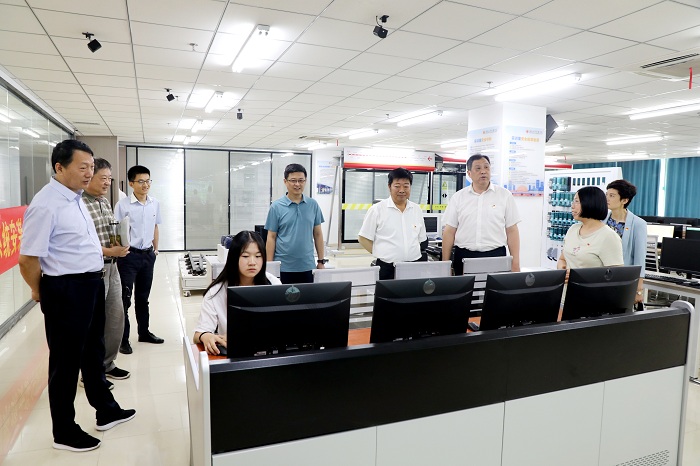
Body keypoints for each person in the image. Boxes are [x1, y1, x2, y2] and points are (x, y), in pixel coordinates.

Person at [18, 140, 135, 452]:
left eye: (91, 167)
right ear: (59, 167)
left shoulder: (76, 198)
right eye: (82, 167)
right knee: (66, 362)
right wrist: (40, 291)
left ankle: (106, 410)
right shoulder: (46, 204)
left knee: (93, 351)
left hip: (90, 284)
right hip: (66, 289)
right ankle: (64, 431)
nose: (89, 173)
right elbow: (27, 259)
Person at [82, 158, 131, 384]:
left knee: (115, 318)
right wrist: (110, 251)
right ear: (90, 176)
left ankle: (107, 364)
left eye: (109, 179)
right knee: (93, 324)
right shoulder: (80, 204)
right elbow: (82, 243)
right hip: (94, 270)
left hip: (113, 268)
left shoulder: (104, 202)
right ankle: (89, 372)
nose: (107, 183)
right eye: (103, 178)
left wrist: (120, 244)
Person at [193, 231, 281, 355]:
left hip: (270, 355)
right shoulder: (216, 291)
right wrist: (206, 336)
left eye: (258, 256)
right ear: (234, 258)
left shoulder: (273, 284)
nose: (252, 262)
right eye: (245, 256)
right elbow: (198, 334)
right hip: (235, 355)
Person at [441, 154, 521, 276]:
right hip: (464, 256)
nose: (483, 171)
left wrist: (515, 262)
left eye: (486, 167)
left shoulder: (505, 196)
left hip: (495, 256)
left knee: (495, 289)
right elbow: (449, 231)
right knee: (465, 289)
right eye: (478, 168)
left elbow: (512, 230)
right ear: (469, 173)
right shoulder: (458, 197)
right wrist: (445, 264)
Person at [114, 165, 163, 354]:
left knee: (143, 298)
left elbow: (155, 227)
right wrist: (119, 251)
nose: (145, 185)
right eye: (141, 181)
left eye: (148, 181)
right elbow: (116, 230)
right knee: (124, 299)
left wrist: (156, 249)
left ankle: (144, 332)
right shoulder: (123, 205)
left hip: (148, 255)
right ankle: (123, 340)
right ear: (131, 183)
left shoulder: (154, 203)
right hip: (129, 256)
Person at [358, 167, 428, 280]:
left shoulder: (417, 209)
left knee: (413, 292)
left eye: (406, 186)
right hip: (387, 267)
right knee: (387, 292)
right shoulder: (377, 210)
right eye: (397, 186)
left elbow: (421, 239)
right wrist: (380, 252)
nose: (402, 190)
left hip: (413, 266)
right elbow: (363, 238)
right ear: (389, 187)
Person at [265, 163, 326, 284]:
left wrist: (321, 261)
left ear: (305, 181)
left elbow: (318, 234)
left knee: (307, 296)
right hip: (283, 267)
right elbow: (271, 237)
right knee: (282, 296)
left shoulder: (313, 205)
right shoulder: (276, 207)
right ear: (285, 181)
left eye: (301, 180)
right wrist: (270, 266)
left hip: (307, 265)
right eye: (293, 180)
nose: (297, 184)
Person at [557, 186, 624, 272]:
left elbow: (616, 274)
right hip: (569, 281)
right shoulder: (573, 229)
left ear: (590, 203)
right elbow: (562, 259)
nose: (572, 206)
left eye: (577, 201)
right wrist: (562, 269)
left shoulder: (608, 236)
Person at [605, 179, 648, 303]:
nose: (607, 198)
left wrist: (638, 290)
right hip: (600, 277)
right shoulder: (601, 220)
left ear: (624, 200)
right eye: (606, 195)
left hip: (622, 279)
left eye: (612, 196)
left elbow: (639, 259)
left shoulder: (638, 224)